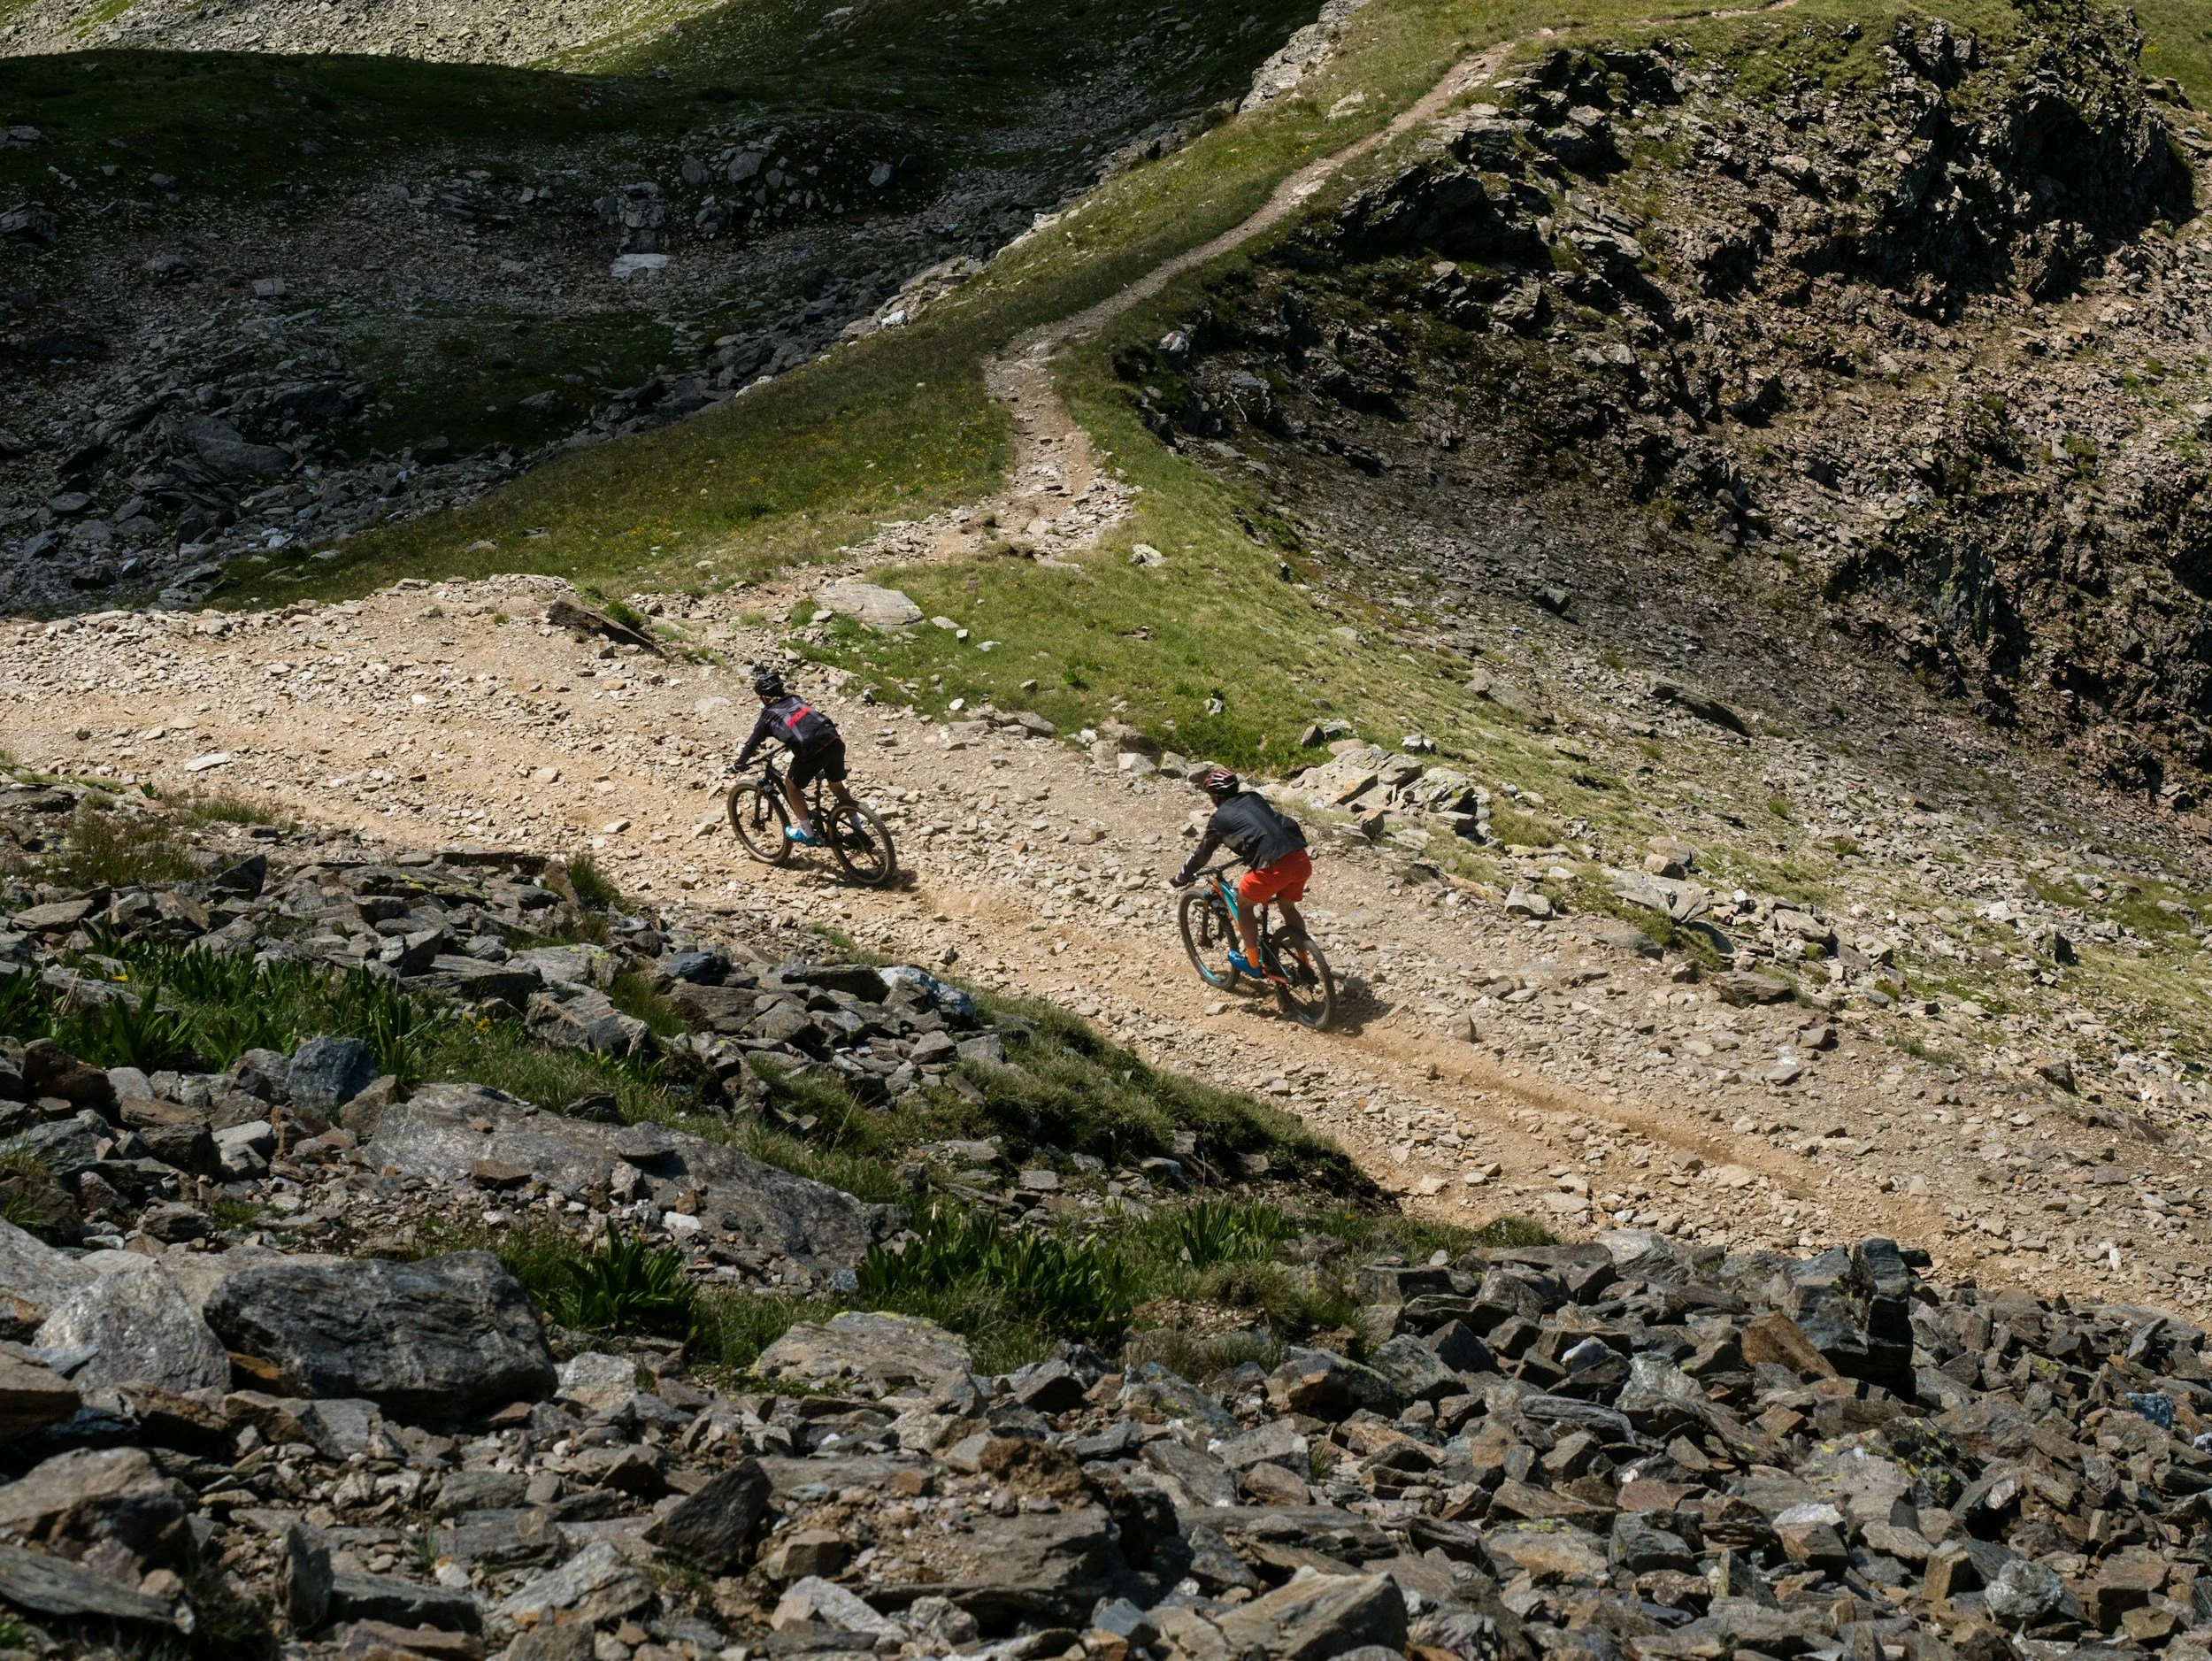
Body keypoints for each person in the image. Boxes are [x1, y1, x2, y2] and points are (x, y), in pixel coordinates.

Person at [1171, 765, 1312, 980]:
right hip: (1300, 857)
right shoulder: (1254, 798)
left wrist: (1182, 876)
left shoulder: (1218, 820)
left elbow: (1202, 853)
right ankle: (1306, 962)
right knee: (1288, 907)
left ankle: (1253, 962)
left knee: (1244, 905)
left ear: (1215, 797)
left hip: (1273, 867)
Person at [733, 670, 852, 845]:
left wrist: (739, 763)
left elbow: (752, 744)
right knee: (836, 785)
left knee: (792, 786)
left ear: (764, 698)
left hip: (809, 751)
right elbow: (802, 723)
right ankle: (858, 827)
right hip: (833, 740)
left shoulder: (767, 716)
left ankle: (808, 834)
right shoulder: (796, 699)